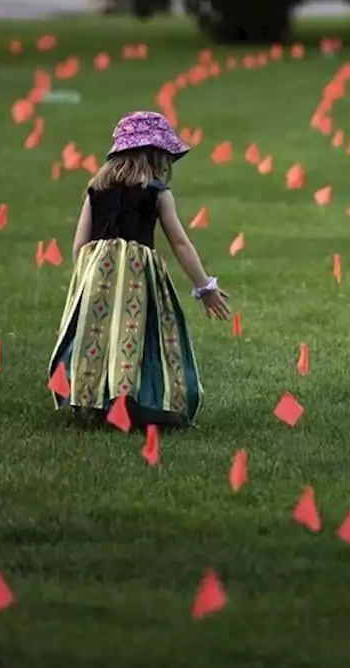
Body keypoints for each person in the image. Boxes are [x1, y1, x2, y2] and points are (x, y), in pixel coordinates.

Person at [47, 111, 230, 430]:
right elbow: (180, 243)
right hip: (136, 277)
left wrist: (85, 278)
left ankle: (90, 402)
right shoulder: (157, 192)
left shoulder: (95, 188)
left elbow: (79, 243)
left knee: (97, 337)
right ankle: (139, 404)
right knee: (139, 336)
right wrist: (205, 286)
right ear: (156, 154)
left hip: (96, 274)